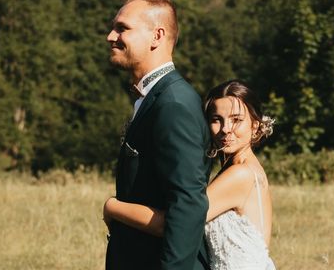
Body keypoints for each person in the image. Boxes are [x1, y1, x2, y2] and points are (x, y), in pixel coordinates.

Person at [104, 80, 276, 270]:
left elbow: (175, 223)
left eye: (237, 120)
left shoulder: (240, 175)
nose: (226, 128)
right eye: (216, 119)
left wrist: (113, 207)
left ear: (255, 126)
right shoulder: (247, 168)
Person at [104, 0, 211, 270]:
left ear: (157, 36)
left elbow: (187, 205)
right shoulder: (154, 97)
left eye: (122, 28)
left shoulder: (173, 104)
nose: (110, 36)